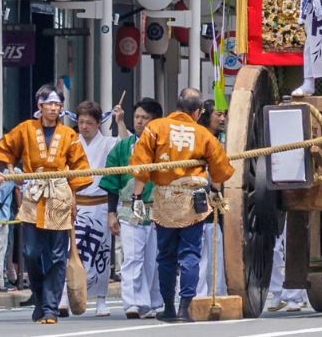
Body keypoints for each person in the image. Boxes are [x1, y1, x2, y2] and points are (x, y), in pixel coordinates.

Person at [131, 90, 235, 323]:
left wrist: (137, 197)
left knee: (166, 256)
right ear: (197, 112)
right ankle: (183, 309)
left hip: (165, 199)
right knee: (190, 255)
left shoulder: (155, 127)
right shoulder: (203, 134)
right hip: (193, 200)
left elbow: (141, 165)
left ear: (176, 106)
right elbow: (219, 169)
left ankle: (169, 307)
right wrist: (217, 193)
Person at [0, 87, 91, 324]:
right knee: (31, 253)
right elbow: (6, 148)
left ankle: (50, 308)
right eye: (49, 104)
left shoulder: (68, 134)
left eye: (58, 105)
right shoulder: (26, 129)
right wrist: (10, 169)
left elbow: (79, 166)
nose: (54, 108)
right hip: (34, 193)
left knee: (57, 256)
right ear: (40, 105)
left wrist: (74, 199)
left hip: (59, 193)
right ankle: (38, 295)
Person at [98, 100, 163, 320]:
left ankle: (152, 302)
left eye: (144, 117)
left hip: (156, 209)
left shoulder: (163, 146)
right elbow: (111, 181)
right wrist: (110, 213)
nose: (139, 121)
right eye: (137, 116)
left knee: (152, 260)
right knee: (132, 257)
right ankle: (132, 303)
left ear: (155, 121)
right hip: (128, 209)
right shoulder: (122, 148)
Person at [72, 102, 118, 318]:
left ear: (99, 123)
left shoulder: (108, 143)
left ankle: (101, 299)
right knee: (72, 252)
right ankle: (67, 295)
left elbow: (127, 147)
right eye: (80, 122)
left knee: (101, 251)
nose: (84, 127)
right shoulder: (72, 142)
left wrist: (120, 121)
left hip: (99, 203)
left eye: (89, 123)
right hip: (76, 203)